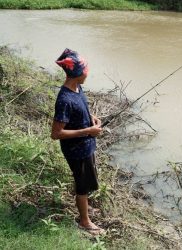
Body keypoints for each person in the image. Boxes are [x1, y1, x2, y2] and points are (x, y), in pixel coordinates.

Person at [51, 48, 104, 235]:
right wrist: (88, 130)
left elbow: (82, 108)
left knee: (88, 181)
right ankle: (85, 222)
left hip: (86, 146)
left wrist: (92, 118)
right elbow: (56, 133)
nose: (88, 72)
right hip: (76, 151)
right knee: (81, 186)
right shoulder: (65, 99)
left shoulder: (78, 88)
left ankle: (86, 208)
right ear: (77, 73)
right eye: (86, 70)